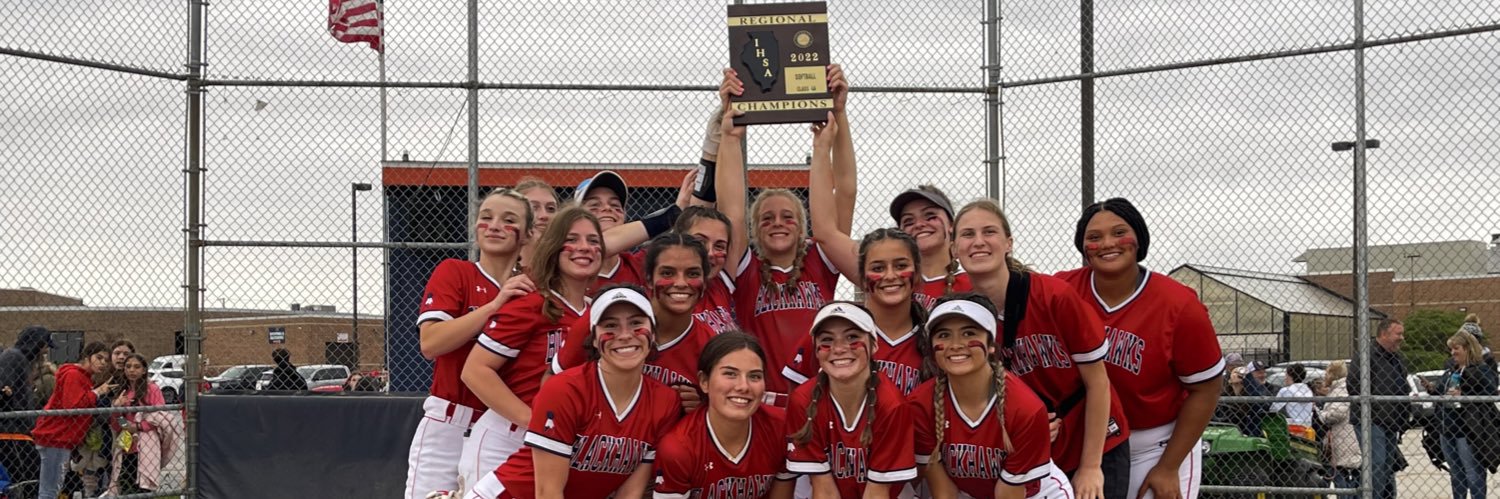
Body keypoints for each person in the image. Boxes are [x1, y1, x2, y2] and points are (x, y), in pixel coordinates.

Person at [950, 199, 1130, 499]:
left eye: (989, 232)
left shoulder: (1052, 295)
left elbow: (1098, 382)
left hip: (1093, 439)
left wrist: (1091, 466)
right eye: (967, 234)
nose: (978, 242)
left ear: (1008, 243)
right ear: (954, 248)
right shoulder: (959, 308)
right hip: (1028, 449)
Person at [1056, 197, 1224, 499]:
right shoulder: (1062, 290)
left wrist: (1169, 466)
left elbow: (1207, 389)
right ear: (1083, 247)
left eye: (1119, 232)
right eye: (1094, 237)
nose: (1108, 243)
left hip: (1155, 444)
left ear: (1139, 238)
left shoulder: (1179, 303)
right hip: (1088, 445)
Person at [467, 285, 683, 499]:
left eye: (636, 323)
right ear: (595, 339)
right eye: (610, 326)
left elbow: (630, 493)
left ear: (653, 333)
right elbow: (547, 493)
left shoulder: (665, 401)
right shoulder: (565, 389)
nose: (625, 335)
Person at [716, 67, 852, 403]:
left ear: (803, 225)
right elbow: (731, 208)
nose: (777, 223)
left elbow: (845, 191)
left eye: (787, 217)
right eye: (767, 218)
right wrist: (730, 137)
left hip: (819, 401)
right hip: (760, 403)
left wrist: (838, 121)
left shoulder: (821, 258)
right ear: (755, 229)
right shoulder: (744, 268)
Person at [787, 112, 931, 396]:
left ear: (917, 270)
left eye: (900, 265)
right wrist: (822, 146)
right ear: (861, 274)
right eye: (878, 267)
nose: (890, 276)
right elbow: (830, 220)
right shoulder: (837, 333)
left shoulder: (935, 334)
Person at [460, 206, 603, 491]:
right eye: (572, 239)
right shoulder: (530, 303)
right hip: (507, 436)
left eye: (594, 241)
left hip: (560, 442)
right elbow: (475, 371)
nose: (584, 248)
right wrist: (535, 421)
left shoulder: (600, 312)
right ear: (553, 246)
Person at [407, 188, 536, 498]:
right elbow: (431, 342)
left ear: (528, 234)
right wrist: (495, 306)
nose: (493, 226)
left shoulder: (533, 286)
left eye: (508, 220)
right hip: (450, 421)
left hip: (503, 430)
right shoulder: (456, 272)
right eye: (486, 217)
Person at [911, 294, 1074, 499]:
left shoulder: (1025, 409)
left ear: (991, 344)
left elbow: (1008, 495)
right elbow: (944, 492)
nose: (956, 344)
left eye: (969, 333)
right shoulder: (921, 404)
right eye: (943, 335)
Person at [555, 232, 719, 410]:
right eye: (667, 273)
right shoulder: (603, 317)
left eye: (692, 273)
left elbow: (716, 415)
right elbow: (554, 380)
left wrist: (701, 409)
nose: (680, 282)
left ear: (705, 280)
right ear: (648, 279)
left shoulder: (710, 347)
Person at [784, 302, 917, 498]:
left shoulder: (892, 405)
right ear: (816, 349)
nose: (838, 349)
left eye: (852, 337)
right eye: (827, 340)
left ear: (874, 345)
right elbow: (824, 490)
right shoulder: (803, 400)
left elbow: (877, 493)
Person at [653, 332, 796, 499]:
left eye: (754, 376)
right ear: (704, 381)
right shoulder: (679, 447)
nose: (744, 386)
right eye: (730, 374)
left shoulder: (781, 427)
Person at [32, 341, 116, 499]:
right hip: (55, 437)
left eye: (106, 360)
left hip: (61, 439)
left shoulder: (83, 377)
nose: (103, 363)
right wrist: (98, 392)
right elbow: (72, 405)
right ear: (87, 357)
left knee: (54, 486)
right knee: (49, 489)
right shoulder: (74, 375)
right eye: (99, 357)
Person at [1427, 331, 1498, 499]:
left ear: (1467, 349)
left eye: (1456, 348)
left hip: (1467, 429)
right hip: (1447, 429)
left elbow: (1490, 391)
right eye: (1451, 349)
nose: (1452, 353)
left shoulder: (1480, 369)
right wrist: (1432, 389)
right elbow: (1442, 391)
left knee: (1473, 472)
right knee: (1456, 474)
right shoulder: (1451, 370)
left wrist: (1464, 394)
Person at [1346, 319, 1409, 499]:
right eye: (1398, 334)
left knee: (1387, 466)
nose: (1401, 338)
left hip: (1391, 421)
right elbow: (1354, 384)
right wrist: (1374, 407)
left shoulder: (1397, 358)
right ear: (1384, 334)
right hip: (1371, 420)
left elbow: (1402, 386)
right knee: (1377, 464)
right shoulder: (1366, 355)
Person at [889, 185, 972, 310]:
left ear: (952, 225)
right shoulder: (890, 282)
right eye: (908, 221)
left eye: (930, 216)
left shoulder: (972, 283)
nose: (919, 225)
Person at [672, 206, 741, 333]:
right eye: (700, 242)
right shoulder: (665, 293)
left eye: (719, 246)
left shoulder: (720, 285)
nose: (710, 253)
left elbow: (737, 217)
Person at [107, 353, 168, 495]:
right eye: (128, 367)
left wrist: (138, 426)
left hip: (146, 442)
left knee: (144, 486)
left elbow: (160, 417)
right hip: (127, 441)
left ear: (144, 370)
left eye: (136, 367)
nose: (131, 370)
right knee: (125, 481)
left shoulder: (152, 389)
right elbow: (117, 424)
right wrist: (117, 410)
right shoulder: (123, 391)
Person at [0, 326, 53, 485]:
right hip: (10, 431)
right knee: (23, 480)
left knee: (29, 478)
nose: (45, 351)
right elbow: (5, 390)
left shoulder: (23, 360)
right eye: (44, 345)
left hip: (20, 429)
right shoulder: (13, 357)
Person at [1318, 361, 1361, 499]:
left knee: (1341, 475)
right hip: (1342, 438)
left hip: (1343, 439)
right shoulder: (1340, 388)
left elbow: (1337, 413)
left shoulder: (1341, 389)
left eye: (1327, 373)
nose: (1325, 377)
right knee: (1341, 474)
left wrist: (1321, 415)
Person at [514, 178, 560, 274]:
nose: (544, 215)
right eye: (534, 208)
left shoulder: (567, 272)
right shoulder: (500, 270)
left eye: (551, 209)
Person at [1272, 364, 1317, 433]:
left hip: (1293, 428)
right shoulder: (1308, 390)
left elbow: (1273, 409)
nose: (1285, 378)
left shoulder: (1286, 391)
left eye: (1286, 375)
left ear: (1290, 376)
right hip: (1308, 427)